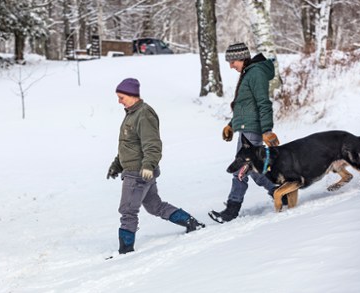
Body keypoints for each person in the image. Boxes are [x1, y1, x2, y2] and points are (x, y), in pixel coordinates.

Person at [107, 78, 205, 254]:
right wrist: (117, 165)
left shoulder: (144, 114)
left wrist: (148, 165)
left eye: (121, 97)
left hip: (139, 173)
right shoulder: (132, 114)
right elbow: (129, 145)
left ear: (132, 95)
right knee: (154, 205)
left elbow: (152, 144)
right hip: (137, 169)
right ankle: (190, 222)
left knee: (128, 211)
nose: (119, 101)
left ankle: (126, 250)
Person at [208, 43, 282, 224]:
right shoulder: (249, 72)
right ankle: (279, 192)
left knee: (241, 168)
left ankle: (231, 210)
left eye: (232, 61)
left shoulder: (255, 73)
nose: (231, 66)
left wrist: (267, 130)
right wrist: (231, 125)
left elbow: (263, 103)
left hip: (254, 130)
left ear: (242, 57)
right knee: (253, 169)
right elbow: (245, 107)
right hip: (247, 129)